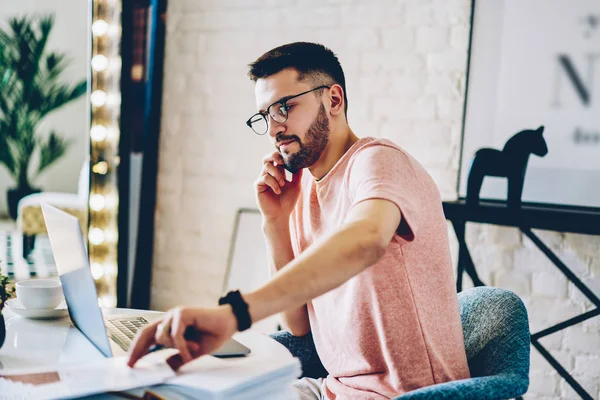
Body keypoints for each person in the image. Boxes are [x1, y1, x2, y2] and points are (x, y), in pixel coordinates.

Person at [127, 42, 470, 399]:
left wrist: (235, 313)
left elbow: (367, 238)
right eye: (265, 116)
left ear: (334, 100)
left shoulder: (378, 161)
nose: (275, 128)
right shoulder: (303, 186)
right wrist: (275, 220)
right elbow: (298, 325)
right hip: (332, 390)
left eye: (285, 108)